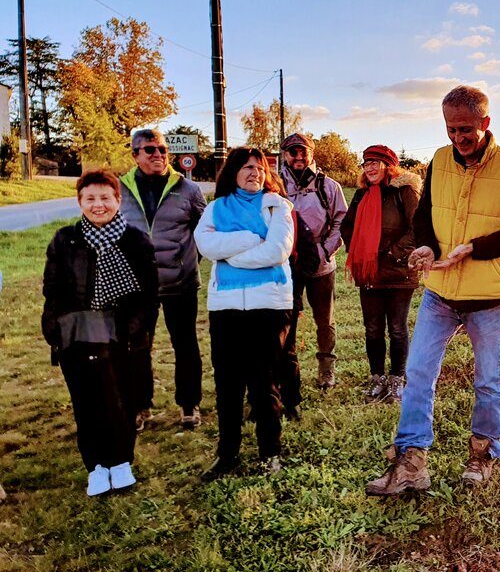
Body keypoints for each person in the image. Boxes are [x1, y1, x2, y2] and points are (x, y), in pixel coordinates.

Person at [366, 85, 500, 496]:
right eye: (450, 129)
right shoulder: (439, 161)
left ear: (485, 124)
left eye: (466, 130)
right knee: (419, 372)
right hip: (440, 292)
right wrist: (427, 245)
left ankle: (482, 454)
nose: (458, 138)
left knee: (489, 379)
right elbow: (425, 216)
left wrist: (474, 249)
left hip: (488, 295)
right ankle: (411, 463)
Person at [42, 170, 159, 496]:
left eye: (105, 198)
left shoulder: (135, 240)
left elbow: (149, 294)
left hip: (123, 334)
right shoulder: (65, 240)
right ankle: (95, 466)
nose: (98, 205)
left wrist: (136, 330)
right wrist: (55, 327)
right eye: (90, 198)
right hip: (78, 332)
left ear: (117, 200)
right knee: (87, 401)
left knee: (121, 400)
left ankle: (121, 462)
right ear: (80, 201)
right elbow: (53, 288)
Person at [194, 148, 294, 480]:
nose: (254, 172)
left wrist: (232, 255)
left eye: (260, 167)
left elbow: (278, 251)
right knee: (227, 385)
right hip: (225, 306)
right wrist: (251, 239)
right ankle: (228, 456)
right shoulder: (215, 209)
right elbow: (206, 246)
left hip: (270, 305)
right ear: (233, 172)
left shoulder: (278, 206)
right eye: (247, 167)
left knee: (264, 384)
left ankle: (270, 453)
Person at [119, 129, 207, 431]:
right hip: (137, 287)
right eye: (150, 150)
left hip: (180, 283)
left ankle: (189, 405)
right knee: (136, 347)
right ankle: (139, 407)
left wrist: (188, 262)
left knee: (185, 345)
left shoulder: (188, 189)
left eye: (162, 150)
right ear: (135, 155)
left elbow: (204, 232)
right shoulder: (120, 189)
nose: (158, 155)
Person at [339, 145, 422, 404]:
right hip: (370, 273)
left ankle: (397, 381)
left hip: (399, 272)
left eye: (376, 162)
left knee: (397, 328)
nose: (370, 167)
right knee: (373, 329)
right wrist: (360, 251)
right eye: (366, 163)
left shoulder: (404, 192)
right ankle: (377, 379)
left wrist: (394, 253)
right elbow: (347, 225)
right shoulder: (362, 194)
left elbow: (417, 227)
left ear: (390, 165)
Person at [279, 133, 348, 416]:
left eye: (303, 152)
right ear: (284, 154)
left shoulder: (328, 186)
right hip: (286, 265)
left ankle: (325, 368)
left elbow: (341, 220)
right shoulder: (275, 185)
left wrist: (324, 251)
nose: (298, 157)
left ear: (311, 153)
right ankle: (283, 372)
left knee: (324, 320)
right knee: (285, 323)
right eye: (292, 152)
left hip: (321, 265)